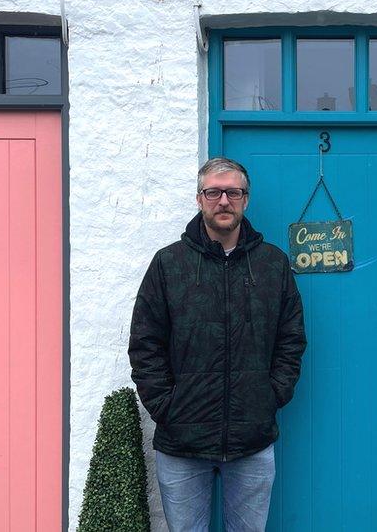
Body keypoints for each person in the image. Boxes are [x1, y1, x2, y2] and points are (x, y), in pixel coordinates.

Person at [128, 157, 307, 532]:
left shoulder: (272, 264)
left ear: (246, 199)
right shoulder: (168, 264)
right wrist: (166, 406)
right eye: (213, 192)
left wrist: (270, 395)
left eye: (233, 192)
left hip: (251, 438)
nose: (223, 200)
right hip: (182, 440)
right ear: (199, 199)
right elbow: (146, 342)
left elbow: (291, 339)